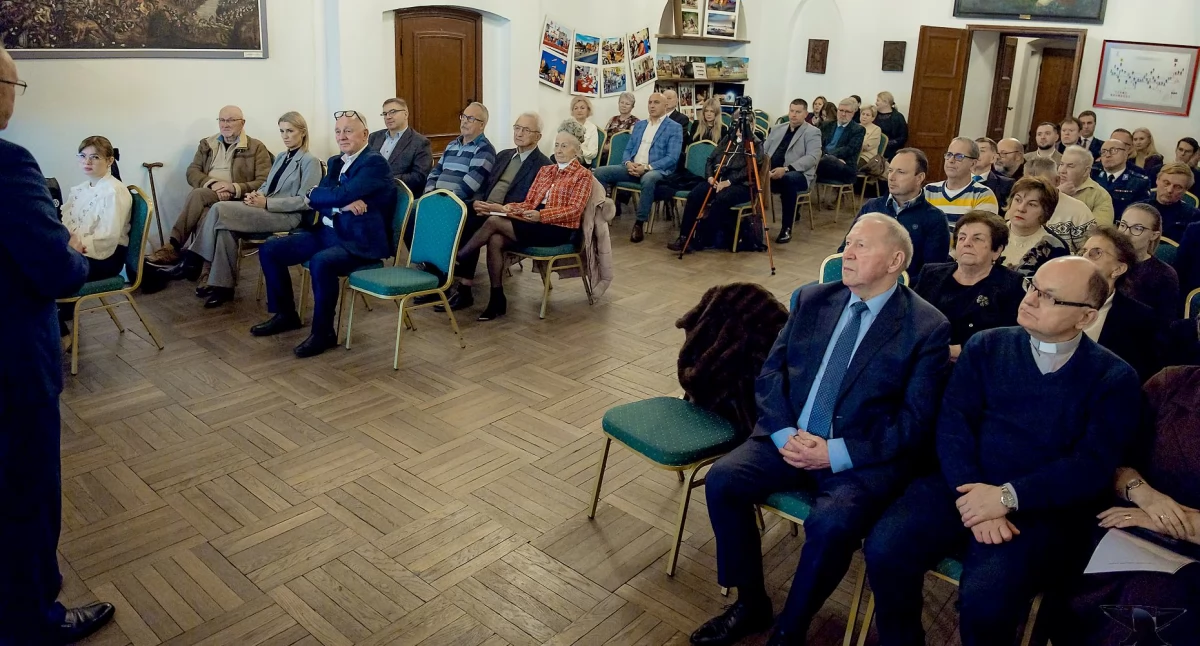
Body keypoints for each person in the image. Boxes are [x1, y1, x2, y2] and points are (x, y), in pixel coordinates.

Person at [690, 214, 950, 646]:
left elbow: (915, 421)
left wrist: (835, 454)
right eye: (848, 242)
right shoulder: (813, 299)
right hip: (789, 438)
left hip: (856, 458)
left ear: (895, 261)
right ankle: (751, 602)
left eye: (862, 246)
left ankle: (791, 629)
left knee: (831, 524)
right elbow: (771, 374)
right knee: (723, 480)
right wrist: (782, 434)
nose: (847, 253)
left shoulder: (926, 327)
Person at [863, 256, 1140, 646]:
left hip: (1038, 506)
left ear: (1085, 318)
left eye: (1049, 297)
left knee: (987, 599)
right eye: (1033, 286)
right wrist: (976, 494)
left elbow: (1091, 466)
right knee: (885, 548)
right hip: (962, 483)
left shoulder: (1113, 377)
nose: (1030, 299)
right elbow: (953, 423)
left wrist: (1007, 497)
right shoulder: (988, 345)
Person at [0, 42, 116, 643]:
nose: (15, 99)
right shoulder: (8, 162)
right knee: (24, 488)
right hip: (12, 360)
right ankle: (31, 619)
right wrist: (66, 252)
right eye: (15, 86)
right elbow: (55, 270)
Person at [1055, 365, 1200, 646]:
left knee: (1159, 604)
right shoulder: (1173, 383)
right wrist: (1144, 494)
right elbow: (1107, 460)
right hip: (1131, 532)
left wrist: (1168, 520)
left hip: (1183, 550)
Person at [250, 110, 397, 358]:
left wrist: (332, 197)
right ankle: (286, 314)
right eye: (338, 131)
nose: (342, 136)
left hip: (358, 241)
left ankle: (324, 332)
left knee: (322, 262)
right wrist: (340, 204)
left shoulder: (374, 163)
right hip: (327, 233)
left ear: (365, 134)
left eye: (348, 131)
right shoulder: (335, 161)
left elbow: (330, 194)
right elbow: (316, 198)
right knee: (271, 249)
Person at [453, 120, 593, 321]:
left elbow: (574, 211)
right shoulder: (547, 171)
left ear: (577, 150)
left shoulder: (583, 175)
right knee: (495, 240)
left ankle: (460, 257)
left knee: (493, 223)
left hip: (556, 229)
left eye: (564, 146)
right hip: (534, 221)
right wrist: (502, 208)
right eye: (556, 145)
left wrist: (541, 215)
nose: (559, 149)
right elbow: (529, 202)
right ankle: (497, 299)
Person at [186, 111, 322, 308]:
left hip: (287, 217)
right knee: (225, 228)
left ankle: (192, 259)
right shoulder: (283, 156)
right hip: (267, 210)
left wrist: (266, 203)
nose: (285, 136)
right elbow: (267, 184)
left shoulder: (310, 162)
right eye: (282, 131)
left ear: (302, 133)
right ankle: (223, 287)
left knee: (218, 208)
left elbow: (306, 201)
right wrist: (256, 195)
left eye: (290, 131)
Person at [443, 111, 554, 311]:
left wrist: (501, 209)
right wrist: (478, 202)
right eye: (517, 128)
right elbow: (484, 186)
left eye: (526, 130)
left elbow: (534, 204)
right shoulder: (503, 155)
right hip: (488, 209)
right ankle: (486, 294)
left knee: (479, 224)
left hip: (514, 217)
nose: (519, 133)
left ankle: (458, 269)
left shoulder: (543, 165)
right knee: (466, 212)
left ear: (538, 136)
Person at [146, 105, 272, 268]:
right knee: (201, 199)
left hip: (240, 200)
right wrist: (214, 185)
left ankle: (183, 256)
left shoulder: (256, 147)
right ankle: (187, 257)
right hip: (210, 193)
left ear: (242, 123)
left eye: (231, 120)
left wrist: (233, 188)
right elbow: (192, 172)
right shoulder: (207, 144)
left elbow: (265, 181)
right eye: (222, 120)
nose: (225, 124)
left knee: (205, 211)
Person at [915, 211, 1025, 362]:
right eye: (962, 237)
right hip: (925, 360)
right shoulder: (931, 273)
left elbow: (1008, 339)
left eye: (977, 239)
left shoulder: (1011, 284)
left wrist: (955, 350)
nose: (967, 243)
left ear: (997, 250)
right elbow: (911, 320)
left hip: (977, 366)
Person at [57, 136, 133, 340]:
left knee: (43, 271)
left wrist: (72, 248)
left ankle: (59, 332)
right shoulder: (82, 189)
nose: (87, 162)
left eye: (95, 157)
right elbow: (68, 224)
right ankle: (57, 321)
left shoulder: (114, 191)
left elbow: (106, 238)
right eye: (83, 156)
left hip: (105, 258)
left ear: (109, 161)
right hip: (81, 251)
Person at [593, 92, 683, 243]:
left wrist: (647, 167)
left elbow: (672, 158)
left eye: (656, 102)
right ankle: (600, 215)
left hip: (656, 169)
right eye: (650, 102)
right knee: (600, 172)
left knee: (649, 179)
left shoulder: (674, 127)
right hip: (633, 167)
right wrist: (628, 163)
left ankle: (639, 223)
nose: (652, 106)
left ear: (665, 106)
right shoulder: (640, 125)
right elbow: (628, 150)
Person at [1079, 226, 1165, 382]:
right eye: (1082, 252)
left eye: (1096, 253)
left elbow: (1138, 377)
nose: (1084, 257)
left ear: (1118, 269)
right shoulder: (1049, 299)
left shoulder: (1139, 319)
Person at [849, 148, 949, 278]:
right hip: (862, 283)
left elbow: (932, 274)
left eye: (900, 172)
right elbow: (845, 250)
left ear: (919, 178)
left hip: (906, 292)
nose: (891, 177)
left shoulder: (935, 219)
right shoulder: (872, 207)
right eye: (890, 171)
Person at [669, 122, 762, 253]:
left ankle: (703, 237)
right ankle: (684, 237)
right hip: (718, 180)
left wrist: (729, 181)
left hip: (741, 185)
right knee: (695, 194)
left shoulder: (755, 143)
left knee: (722, 199)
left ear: (751, 125)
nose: (738, 128)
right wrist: (710, 177)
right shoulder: (728, 139)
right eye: (736, 124)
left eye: (742, 124)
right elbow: (710, 159)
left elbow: (751, 168)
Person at [764, 98, 821, 243]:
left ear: (805, 114)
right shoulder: (777, 129)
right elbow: (764, 151)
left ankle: (786, 229)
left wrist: (786, 169)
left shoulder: (813, 132)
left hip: (798, 174)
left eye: (798, 112)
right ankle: (751, 226)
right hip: (770, 172)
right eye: (791, 111)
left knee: (787, 180)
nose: (794, 115)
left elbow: (813, 157)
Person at [1115, 203, 1179, 320]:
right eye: (1123, 225)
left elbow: (1164, 325)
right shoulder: (1104, 261)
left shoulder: (1164, 275)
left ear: (1154, 235)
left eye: (1137, 228)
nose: (1126, 233)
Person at [425, 102, 497, 204]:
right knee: (409, 210)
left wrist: (445, 201)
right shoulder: (452, 145)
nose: (464, 122)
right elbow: (436, 171)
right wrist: (429, 193)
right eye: (463, 117)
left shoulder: (484, 149)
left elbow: (470, 184)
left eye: (470, 119)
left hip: (457, 204)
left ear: (482, 125)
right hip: (436, 198)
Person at [1025, 157, 1097, 252]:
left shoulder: (1078, 211)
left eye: (1042, 183)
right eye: (1027, 183)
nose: (1034, 189)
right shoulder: (1017, 208)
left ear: (1057, 180)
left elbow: (1088, 251)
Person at [923, 137, 999, 227]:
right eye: (949, 154)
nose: (951, 160)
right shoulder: (929, 190)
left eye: (959, 156)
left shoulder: (983, 195)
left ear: (973, 163)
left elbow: (977, 234)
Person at [1003, 176, 1070, 277]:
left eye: (1032, 204)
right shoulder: (990, 233)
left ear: (1046, 211)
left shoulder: (1055, 247)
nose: (1021, 209)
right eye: (1018, 200)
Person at [367, 97, 432, 197]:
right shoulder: (374, 137)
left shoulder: (420, 142)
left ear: (406, 114)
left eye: (393, 112)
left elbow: (419, 177)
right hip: (369, 192)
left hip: (398, 195)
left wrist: (386, 180)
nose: (388, 117)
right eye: (385, 114)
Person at [1137, 161, 1199, 241]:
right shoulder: (1137, 208)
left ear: (1185, 190)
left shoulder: (1193, 217)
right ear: (1157, 180)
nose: (1170, 190)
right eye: (1166, 183)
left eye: (1178, 187)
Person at [1092, 138, 1152, 220]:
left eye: (1113, 150)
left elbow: (1140, 214)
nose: (1108, 155)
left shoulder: (1139, 182)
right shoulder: (1092, 176)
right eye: (1104, 152)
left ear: (1125, 154)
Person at [1057, 145, 1115, 225]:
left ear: (1086, 171)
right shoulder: (1050, 185)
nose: (1062, 171)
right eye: (1061, 164)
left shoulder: (1100, 195)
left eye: (1070, 166)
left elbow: (1100, 230)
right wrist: (1057, 194)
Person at [815, 97, 865, 187]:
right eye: (841, 110)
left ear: (853, 113)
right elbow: (817, 143)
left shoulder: (858, 130)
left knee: (827, 160)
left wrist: (828, 155)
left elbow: (850, 149)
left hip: (845, 167)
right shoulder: (827, 125)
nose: (843, 114)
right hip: (824, 161)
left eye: (847, 111)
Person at [973, 137, 1014, 212]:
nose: (976, 154)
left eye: (982, 151)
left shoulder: (1006, 184)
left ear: (994, 158)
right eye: (974, 151)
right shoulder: (957, 180)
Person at [568, 96, 603, 165]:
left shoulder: (592, 128)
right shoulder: (567, 125)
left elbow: (593, 153)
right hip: (566, 156)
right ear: (573, 111)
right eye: (576, 108)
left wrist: (578, 151)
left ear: (588, 110)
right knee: (553, 157)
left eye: (582, 108)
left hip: (582, 159)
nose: (579, 110)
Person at [873, 91, 907, 159]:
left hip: (891, 152)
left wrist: (886, 144)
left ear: (886, 102)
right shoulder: (873, 114)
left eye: (878, 100)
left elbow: (903, 136)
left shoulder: (898, 117)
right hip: (873, 149)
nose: (875, 103)